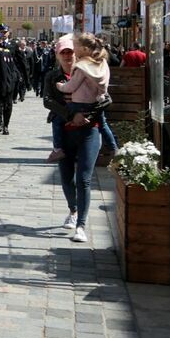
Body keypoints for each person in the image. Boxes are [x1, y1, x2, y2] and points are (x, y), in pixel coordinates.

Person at [43, 37, 102, 242]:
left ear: (77, 53)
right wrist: (70, 115)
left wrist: (88, 115)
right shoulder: (53, 76)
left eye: (70, 52)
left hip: (89, 131)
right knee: (67, 178)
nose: (68, 56)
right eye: (63, 53)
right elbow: (48, 100)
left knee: (83, 179)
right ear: (58, 55)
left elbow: (106, 98)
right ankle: (73, 210)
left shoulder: (90, 70)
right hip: (65, 131)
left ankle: (81, 226)